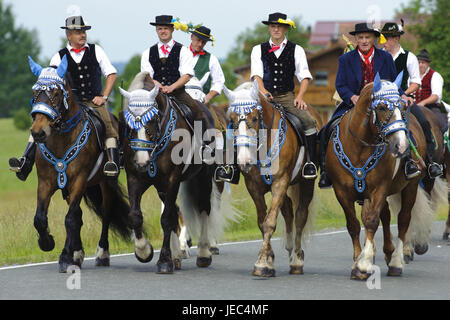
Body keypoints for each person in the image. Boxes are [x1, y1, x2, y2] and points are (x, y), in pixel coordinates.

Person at [9, 15, 120, 180]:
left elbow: (111, 74)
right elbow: (51, 80)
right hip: (67, 104)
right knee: (40, 124)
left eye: (83, 31)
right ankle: (25, 161)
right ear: (69, 35)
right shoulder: (58, 56)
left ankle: (112, 163)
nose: (82, 34)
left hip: (93, 101)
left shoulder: (96, 50)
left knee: (108, 125)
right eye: (77, 32)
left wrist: (104, 96)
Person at [318, 22, 411, 188]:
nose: (364, 40)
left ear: (374, 38)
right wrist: (352, 97)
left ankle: (408, 163)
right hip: (353, 105)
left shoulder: (386, 58)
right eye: (360, 37)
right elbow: (340, 84)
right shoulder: (345, 59)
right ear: (356, 39)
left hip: (383, 104)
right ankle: (326, 172)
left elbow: (393, 81)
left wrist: (403, 94)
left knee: (402, 125)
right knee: (327, 129)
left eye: (367, 37)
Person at [250, 12, 318, 179]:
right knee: (240, 118)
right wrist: (263, 91)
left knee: (309, 121)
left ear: (286, 28)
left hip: (287, 96)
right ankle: (235, 165)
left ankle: (311, 162)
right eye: (273, 26)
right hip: (263, 96)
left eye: (279, 26)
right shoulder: (257, 49)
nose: (276, 29)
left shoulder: (297, 50)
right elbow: (256, 75)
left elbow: (305, 76)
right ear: (269, 28)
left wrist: (300, 97)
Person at [141, 15, 214, 146]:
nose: (163, 31)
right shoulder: (147, 52)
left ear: (172, 29)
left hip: (178, 93)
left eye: (165, 28)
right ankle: (127, 150)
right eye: (160, 28)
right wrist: (158, 86)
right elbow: (147, 76)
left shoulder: (183, 50)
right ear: (156, 30)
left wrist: (172, 87)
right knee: (135, 111)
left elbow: (187, 75)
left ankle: (203, 146)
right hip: (155, 94)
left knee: (198, 111)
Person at [382, 23, 442, 179]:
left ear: (395, 38)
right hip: (382, 100)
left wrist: (405, 93)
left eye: (386, 39)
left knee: (423, 122)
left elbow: (416, 82)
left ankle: (429, 163)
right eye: (382, 38)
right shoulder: (380, 56)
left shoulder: (409, 57)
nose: (383, 42)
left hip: (403, 99)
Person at [415, 49, 447, 133]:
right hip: (414, 107)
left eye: (423, 63)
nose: (420, 65)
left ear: (428, 63)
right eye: (419, 62)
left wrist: (423, 103)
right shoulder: (412, 76)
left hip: (431, 107)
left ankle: (442, 143)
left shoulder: (435, 76)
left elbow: (435, 96)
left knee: (441, 125)